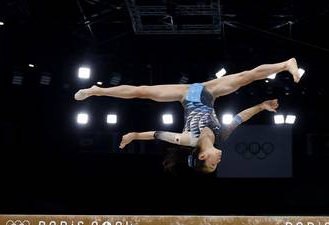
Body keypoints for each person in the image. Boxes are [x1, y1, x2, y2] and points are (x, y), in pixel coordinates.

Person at [74, 58, 301, 173]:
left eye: (213, 166)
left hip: (185, 95)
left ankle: (97, 90)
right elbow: (241, 117)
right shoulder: (222, 136)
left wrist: (133, 135)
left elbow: (155, 134)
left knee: (141, 91)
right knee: (245, 77)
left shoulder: (186, 140)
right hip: (209, 92)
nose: (218, 163)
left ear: (202, 157)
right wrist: (262, 106)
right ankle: (285, 64)